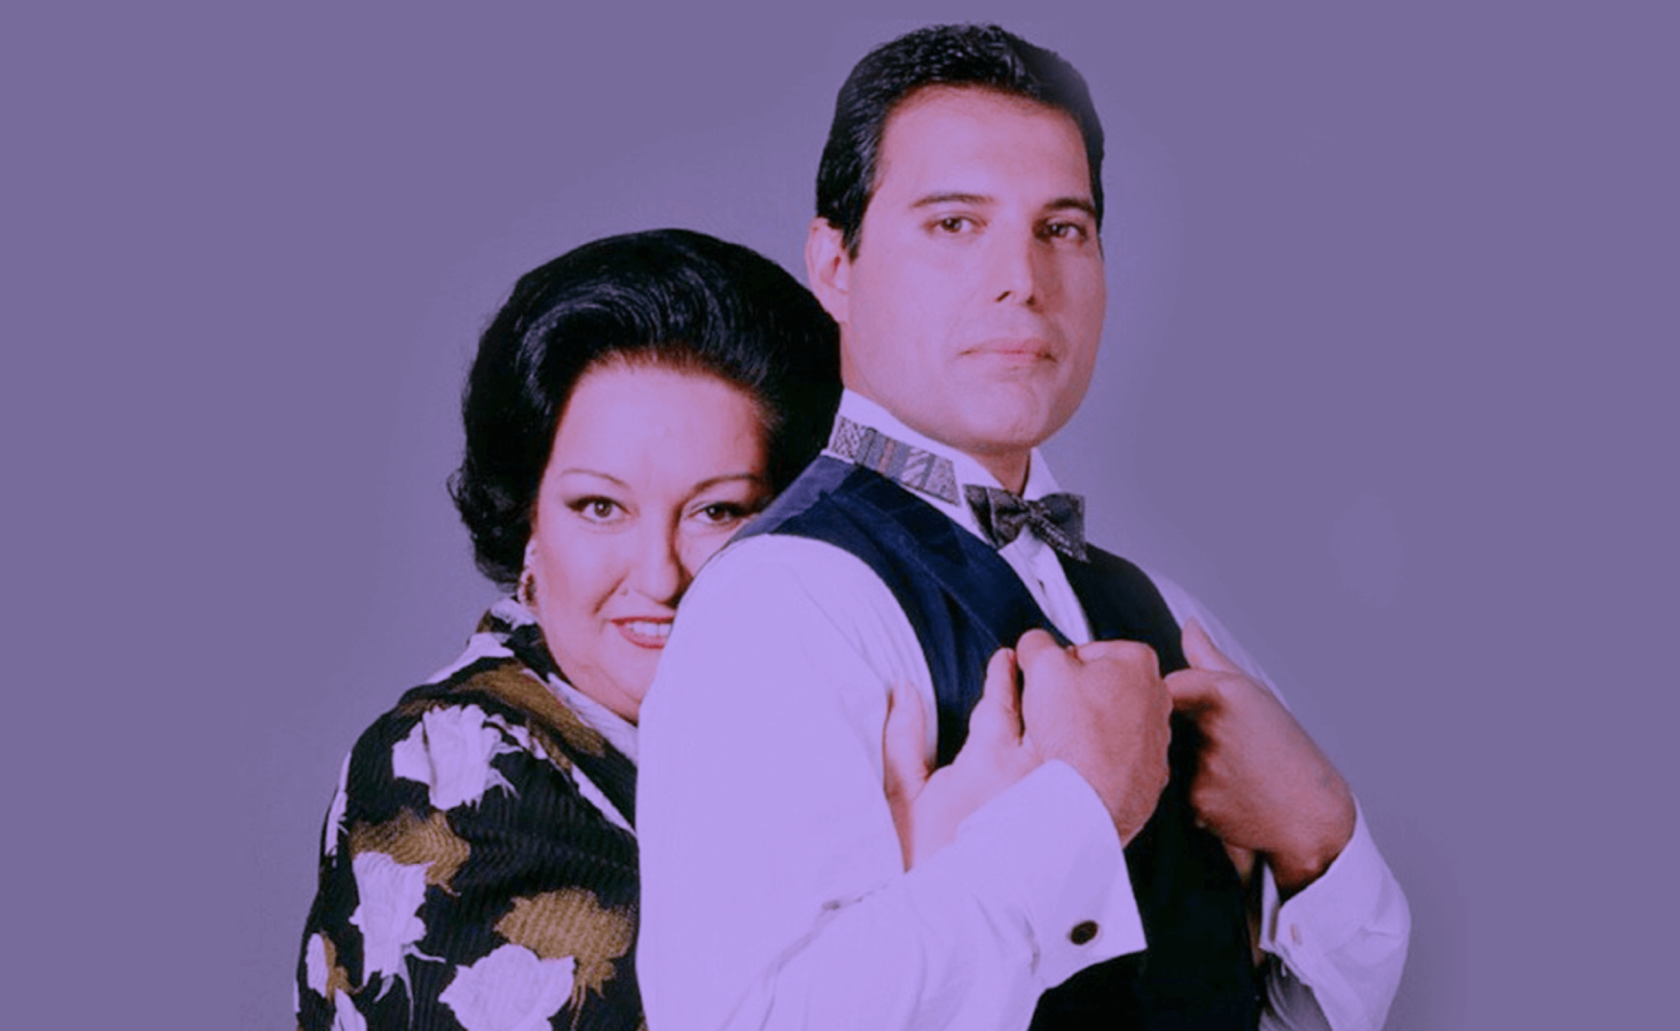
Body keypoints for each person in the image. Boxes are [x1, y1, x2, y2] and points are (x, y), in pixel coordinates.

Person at [638, 24, 1410, 1031]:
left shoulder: (1161, 607)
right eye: (955, 223)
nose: (1022, 278)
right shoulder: (779, 603)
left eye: (1063, 228)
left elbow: (1299, 1011)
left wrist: (1319, 835)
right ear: (834, 264)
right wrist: (1076, 812)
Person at [293, 229, 840, 1031]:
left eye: (717, 510)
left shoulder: (812, 730)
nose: (659, 575)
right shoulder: (450, 765)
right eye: (600, 506)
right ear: (529, 524)